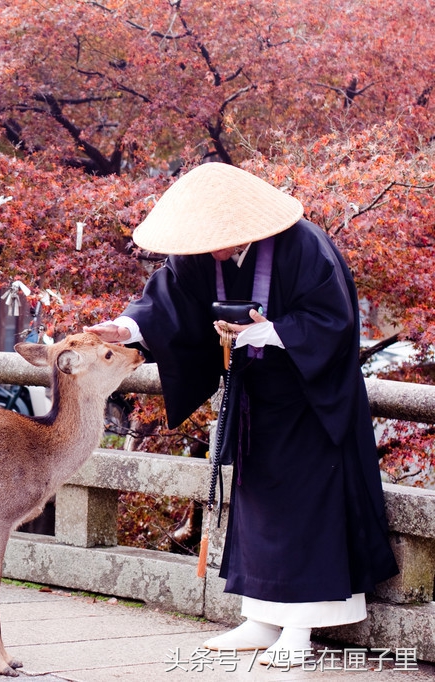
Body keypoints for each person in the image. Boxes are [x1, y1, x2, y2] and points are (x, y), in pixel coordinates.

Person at [85, 162, 399, 666]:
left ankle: (300, 628)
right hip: (253, 395)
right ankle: (260, 615)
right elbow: (166, 303)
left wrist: (271, 332)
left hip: (310, 399)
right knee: (258, 508)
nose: (214, 250)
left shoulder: (304, 245)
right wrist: (126, 328)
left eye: (220, 240)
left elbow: (331, 320)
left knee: (306, 508)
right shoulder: (198, 255)